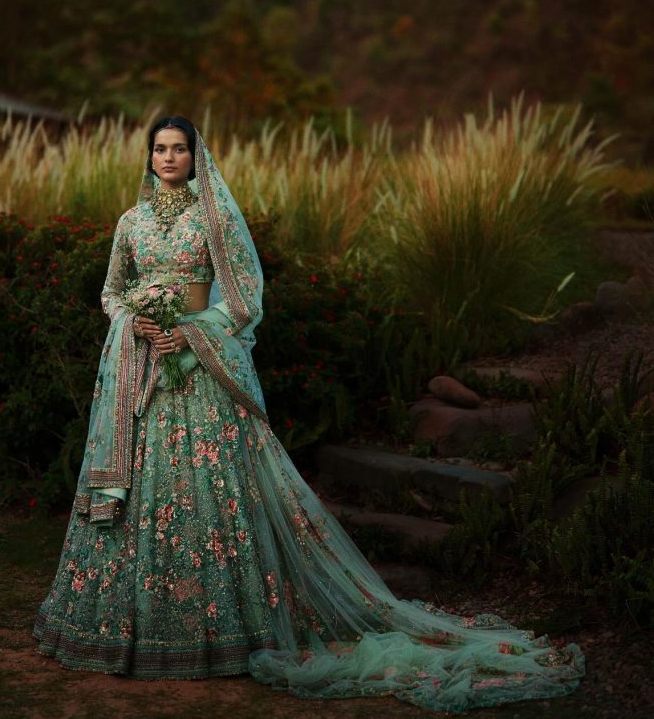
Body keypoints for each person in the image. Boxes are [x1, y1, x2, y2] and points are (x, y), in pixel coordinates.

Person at [32, 116, 585, 712]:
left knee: (209, 494)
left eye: (179, 149)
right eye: (159, 149)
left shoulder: (213, 217)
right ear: (148, 157)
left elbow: (245, 299)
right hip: (139, 377)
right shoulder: (130, 222)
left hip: (202, 378)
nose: (169, 157)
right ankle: (133, 629)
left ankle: (224, 632)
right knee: (145, 495)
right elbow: (112, 290)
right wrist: (132, 319)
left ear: (197, 156)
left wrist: (191, 336)